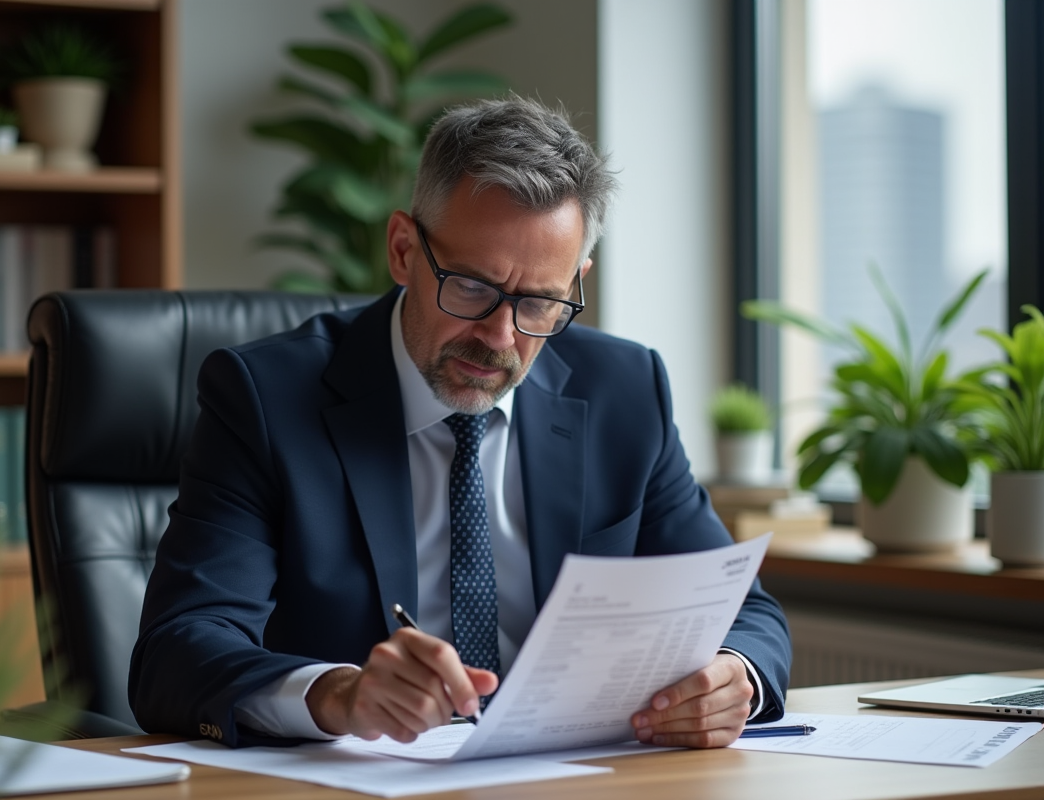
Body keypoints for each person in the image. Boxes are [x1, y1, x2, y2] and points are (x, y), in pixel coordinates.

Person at [129, 96, 791, 750]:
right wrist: (336, 693)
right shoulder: (267, 399)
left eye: (540, 303)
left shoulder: (624, 390)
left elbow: (743, 611)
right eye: (472, 287)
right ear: (402, 250)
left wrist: (734, 678)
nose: (499, 337)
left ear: (576, 281)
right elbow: (176, 650)